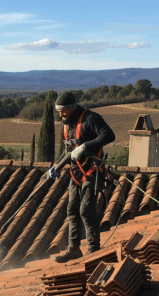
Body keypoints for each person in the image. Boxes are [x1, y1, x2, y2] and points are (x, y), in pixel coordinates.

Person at [46, 92, 116, 263]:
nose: (60, 115)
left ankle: (93, 249)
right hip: (75, 173)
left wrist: (86, 146)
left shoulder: (91, 118)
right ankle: (74, 248)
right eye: (59, 111)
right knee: (72, 209)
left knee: (86, 209)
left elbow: (108, 135)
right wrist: (56, 166)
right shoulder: (65, 125)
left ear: (72, 108)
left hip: (92, 171)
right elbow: (66, 151)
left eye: (63, 111)